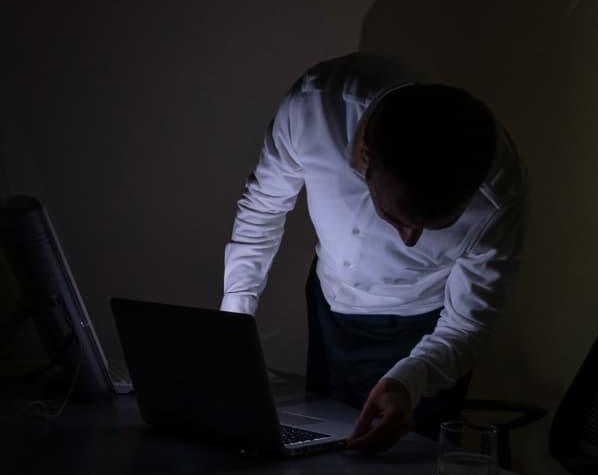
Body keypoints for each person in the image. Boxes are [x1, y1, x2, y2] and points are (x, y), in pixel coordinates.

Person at [222, 53, 527, 451]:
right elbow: (262, 209)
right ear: (363, 154)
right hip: (328, 311)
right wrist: (234, 328)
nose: (410, 240)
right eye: (396, 218)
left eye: (435, 226)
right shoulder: (315, 109)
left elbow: (468, 324)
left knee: (405, 471)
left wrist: (409, 381)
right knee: (317, 455)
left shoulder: (499, 196)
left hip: (426, 331)